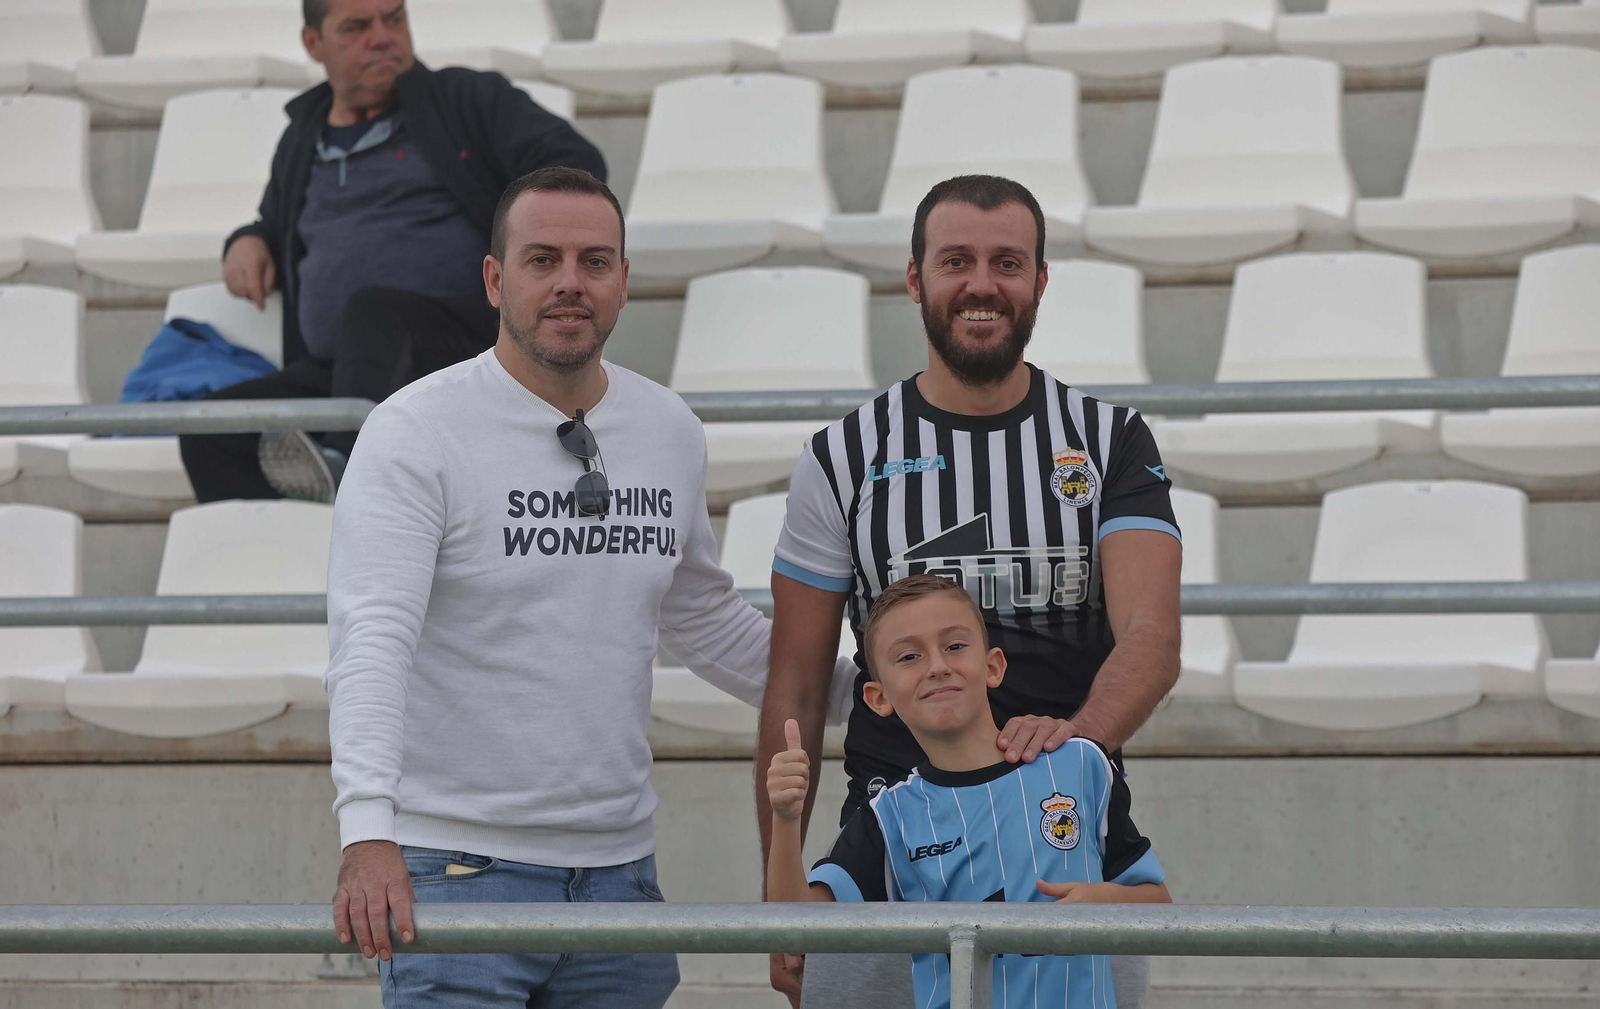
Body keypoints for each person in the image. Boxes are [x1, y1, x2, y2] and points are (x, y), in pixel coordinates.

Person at [322, 166, 769, 1008]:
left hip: (621, 879)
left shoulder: (668, 428)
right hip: (456, 873)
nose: (571, 282)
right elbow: (372, 640)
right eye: (543, 259)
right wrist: (367, 831)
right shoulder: (414, 431)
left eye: (596, 261)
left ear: (625, 281)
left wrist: (871, 689)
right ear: (496, 279)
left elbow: (705, 618)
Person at [756, 174, 1183, 1008]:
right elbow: (797, 684)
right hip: (888, 852)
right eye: (956, 261)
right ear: (915, 280)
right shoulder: (843, 455)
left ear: (1039, 281)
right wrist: (774, 888)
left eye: (1007, 263)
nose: (981, 284)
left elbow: (1153, 640)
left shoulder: (1107, 440)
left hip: (1067, 855)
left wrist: (1062, 754)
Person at [180, 0, 606, 504]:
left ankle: (344, 467)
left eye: (394, 19)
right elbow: (276, 222)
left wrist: (518, 241)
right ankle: (304, 549)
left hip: (464, 349)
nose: (383, 38)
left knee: (374, 309)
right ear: (314, 44)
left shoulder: (466, 99)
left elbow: (579, 167)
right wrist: (249, 240)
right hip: (345, 367)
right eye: (358, 27)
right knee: (211, 428)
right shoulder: (301, 138)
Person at [767, 574, 1171, 1008]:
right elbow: (799, 933)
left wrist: (1107, 902)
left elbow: (1160, 906)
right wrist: (786, 822)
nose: (937, 665)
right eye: (909, 656)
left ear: (993, 666)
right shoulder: (889, 817)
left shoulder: (1080, 766)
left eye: (955, 646)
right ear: (878, 697)